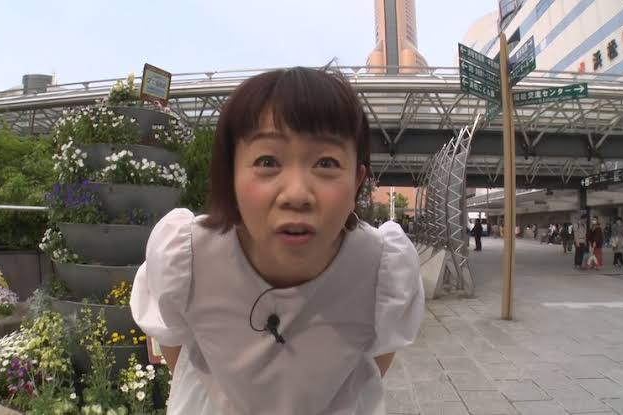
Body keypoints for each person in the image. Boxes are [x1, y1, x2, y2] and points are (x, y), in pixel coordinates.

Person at [130, 67, 425, 415]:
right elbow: (171, 338)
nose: (296, 194)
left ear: (357, 181)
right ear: (231, 173)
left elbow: (374, 365)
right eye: (267, 161)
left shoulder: (381, 270)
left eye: (326, 162)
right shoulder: (188, 259)